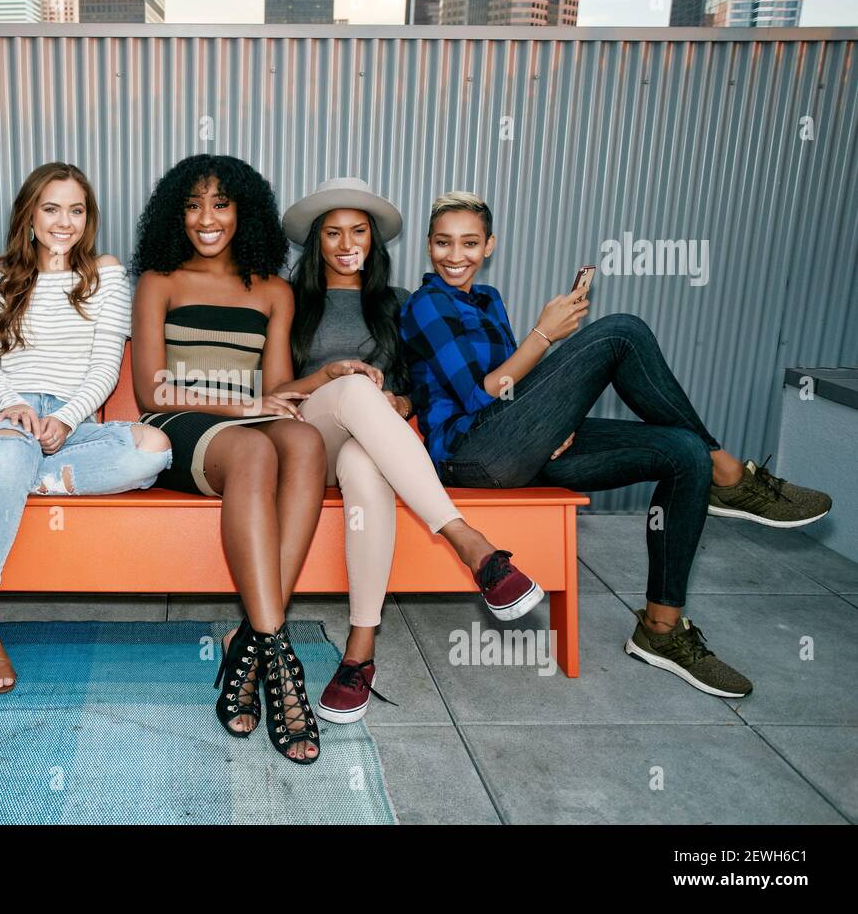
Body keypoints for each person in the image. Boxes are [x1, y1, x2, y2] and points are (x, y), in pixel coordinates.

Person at [403, 190, 832, 698]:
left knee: (681, 452)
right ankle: (732, 475)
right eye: (443, 243)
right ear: (428, 246)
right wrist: (543, 334)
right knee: (621, 332)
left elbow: (512, 387)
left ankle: (661, 631)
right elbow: (477, 396)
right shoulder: (425, 303)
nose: (455, 256)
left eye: (470, 242)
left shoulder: (489, 301)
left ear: (490, 245)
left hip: (518, 445)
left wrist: (549, 422)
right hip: (468, 455)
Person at [277, 178, 542, 724]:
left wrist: (396, 401)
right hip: (306, 441)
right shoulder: (289, 298)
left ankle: (359, 653)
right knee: (353, 389)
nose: (346, 242)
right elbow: (277, 388)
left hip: (366, 444)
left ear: (374, 241)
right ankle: (470, 543)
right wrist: (333, 375)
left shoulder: (396, 304)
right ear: (316, 241)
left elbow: (413, 389)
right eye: (333, 232)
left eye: (358, 231)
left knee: (366, 463)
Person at [0, 161, 171, 693]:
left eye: (76, 210)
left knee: (152, 450)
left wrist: (66, 419)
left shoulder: (105, 274)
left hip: (70, 421)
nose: (64, 222)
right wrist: (13, 405)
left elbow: (105, 365)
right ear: (29, 215)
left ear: (88, 218)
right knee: (7, 448)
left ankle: (0, 479)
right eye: (51, 208)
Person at [131, 154, 327, 764]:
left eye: (220, 204)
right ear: (175, 214)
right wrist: (238, 408)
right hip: (177, 427)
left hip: (247, 425)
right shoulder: (160, 281)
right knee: (252, 449)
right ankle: (280, 660)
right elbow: (151, 391)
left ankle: (251, 644)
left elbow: (277, 393)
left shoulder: (273, 291)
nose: (206, 219)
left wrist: (333, 375)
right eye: (192, 205)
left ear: (244, 212)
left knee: (304, 440)